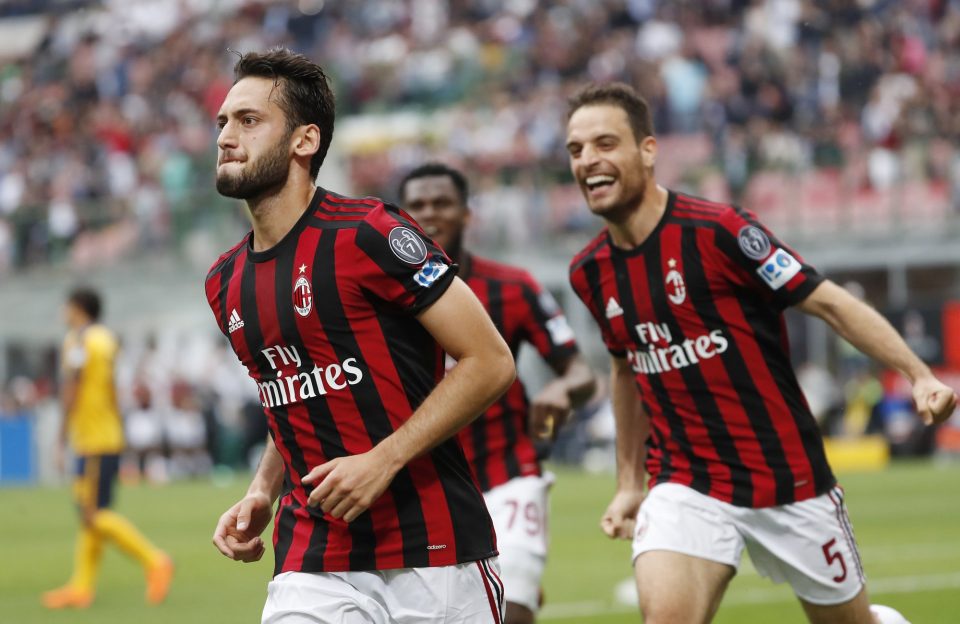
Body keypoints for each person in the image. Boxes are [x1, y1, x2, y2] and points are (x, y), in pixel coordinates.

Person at [564, 82, 958, 624]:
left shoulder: (720, 232)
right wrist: (630, 483)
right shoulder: (588, 272)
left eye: (605, 143)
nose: (588, 160)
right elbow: (626, 368)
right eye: (576, 149)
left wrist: (918, 374)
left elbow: (830, 303)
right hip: (686, 482)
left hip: (786, 479)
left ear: (648, 150)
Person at [206, 48, 515, 623]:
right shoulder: (224, 282)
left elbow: (490, 361)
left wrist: (383, 460)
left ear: (304, 140)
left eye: (249, 121)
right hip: (312, 558)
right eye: (223, 122)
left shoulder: (369, 232)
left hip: (434, 551)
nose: (226, 136)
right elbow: (292, 394)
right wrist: (262, 490)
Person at [399, 163, 596, 624]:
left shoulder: (513, 287)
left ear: (467, 213)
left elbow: (580, 371)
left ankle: (520, 581)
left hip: (509, 474)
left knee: (513, 609)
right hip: (428, 487)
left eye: (442, 203)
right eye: (417, 205)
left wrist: (562, 390)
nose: (430, 214)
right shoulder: (381, 297)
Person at [43, 287, 174, 610]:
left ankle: (155, 560)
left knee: (92, 513)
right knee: (91, 514)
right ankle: (81, 587)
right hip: (107, 434)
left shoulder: (79, 340)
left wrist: (60, 439)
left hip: (92, 439)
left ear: (78, 308)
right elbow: (113, 389)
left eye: (66, 306)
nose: (63, 312)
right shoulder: (106, 339)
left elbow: (72, 389)